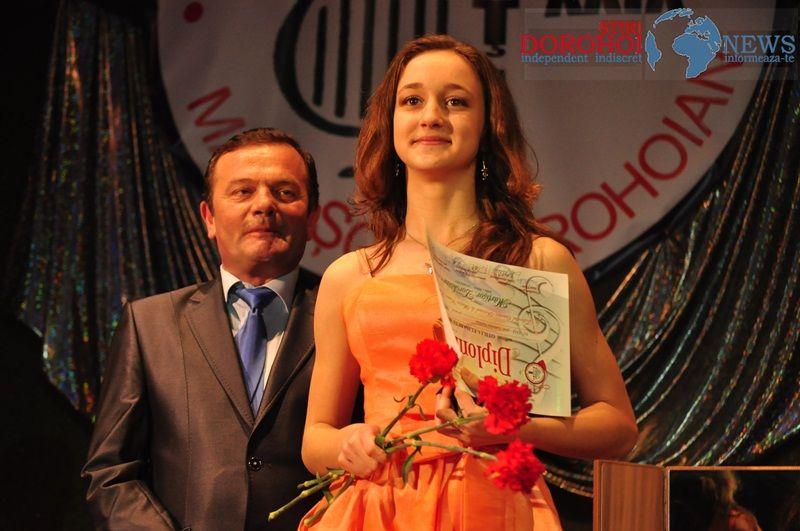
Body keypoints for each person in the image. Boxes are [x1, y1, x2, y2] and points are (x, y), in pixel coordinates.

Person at [300, 35, 639, 530]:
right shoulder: (349, 275)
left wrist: (514, 426)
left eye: (456, 102)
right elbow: (315, 439)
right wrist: (346, 443)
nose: (431, 116)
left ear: (488, 126)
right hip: (378, 510)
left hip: (495, 506)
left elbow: (618, 426)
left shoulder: (537, 260)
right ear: (389, 124)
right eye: (411, 101)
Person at [83, 128, 323, 530]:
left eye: (285, 192)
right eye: (243, 191)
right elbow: (110, 473)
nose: (264, 204)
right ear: (209, 218)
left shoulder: (345, 316)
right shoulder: (150, 324)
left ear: (313, 216)